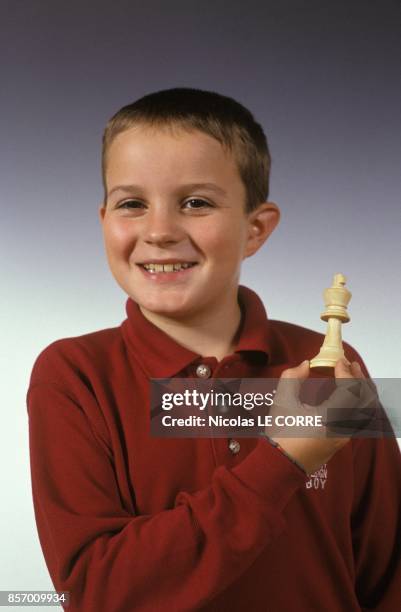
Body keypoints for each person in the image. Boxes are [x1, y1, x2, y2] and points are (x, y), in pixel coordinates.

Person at [27, 87, 401, 611]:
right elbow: (94, 594)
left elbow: (388, 574)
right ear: (104, 220)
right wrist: (285, 458)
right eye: (132, 203)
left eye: (196, 203)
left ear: (255, 229)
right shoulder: (73, 376)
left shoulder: (336, 366)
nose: (159, 231)